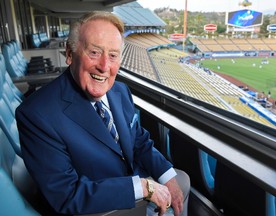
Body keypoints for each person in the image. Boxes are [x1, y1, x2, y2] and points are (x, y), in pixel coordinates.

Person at [16, 11, 190, 216]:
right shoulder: (37, 114)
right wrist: (143, 187)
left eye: (113, 55)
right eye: (94, 52)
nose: (104, 66)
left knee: (181, 181)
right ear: (70, 54)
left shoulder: (120, 91)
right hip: (102, 209)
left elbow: (138, 140)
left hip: (134, 189)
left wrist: (166, 176)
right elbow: (66, 195)